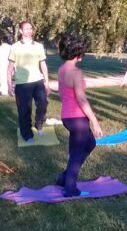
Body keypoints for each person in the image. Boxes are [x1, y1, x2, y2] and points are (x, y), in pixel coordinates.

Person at [55, 35, 103, 197]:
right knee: (76, 155)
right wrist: (95, 121)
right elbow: (81, 99)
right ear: (78, 53)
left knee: (90, 143)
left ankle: (64, 177)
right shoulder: (75, 72)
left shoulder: (62, 69)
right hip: (77, 119)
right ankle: (70, 189)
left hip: (67, 117)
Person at [8, 21, 50, 143]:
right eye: (26, 29)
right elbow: (10, 67)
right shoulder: (15, 47)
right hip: (22, 83)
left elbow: (43, 65)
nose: (29, 31)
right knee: (24, 110)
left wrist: (47, 83)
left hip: (38, 81)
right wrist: (10, 84)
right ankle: (27, 134)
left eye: (31, 28)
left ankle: (39, 124)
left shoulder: (38, 46)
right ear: (21, 31)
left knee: (43, 104)